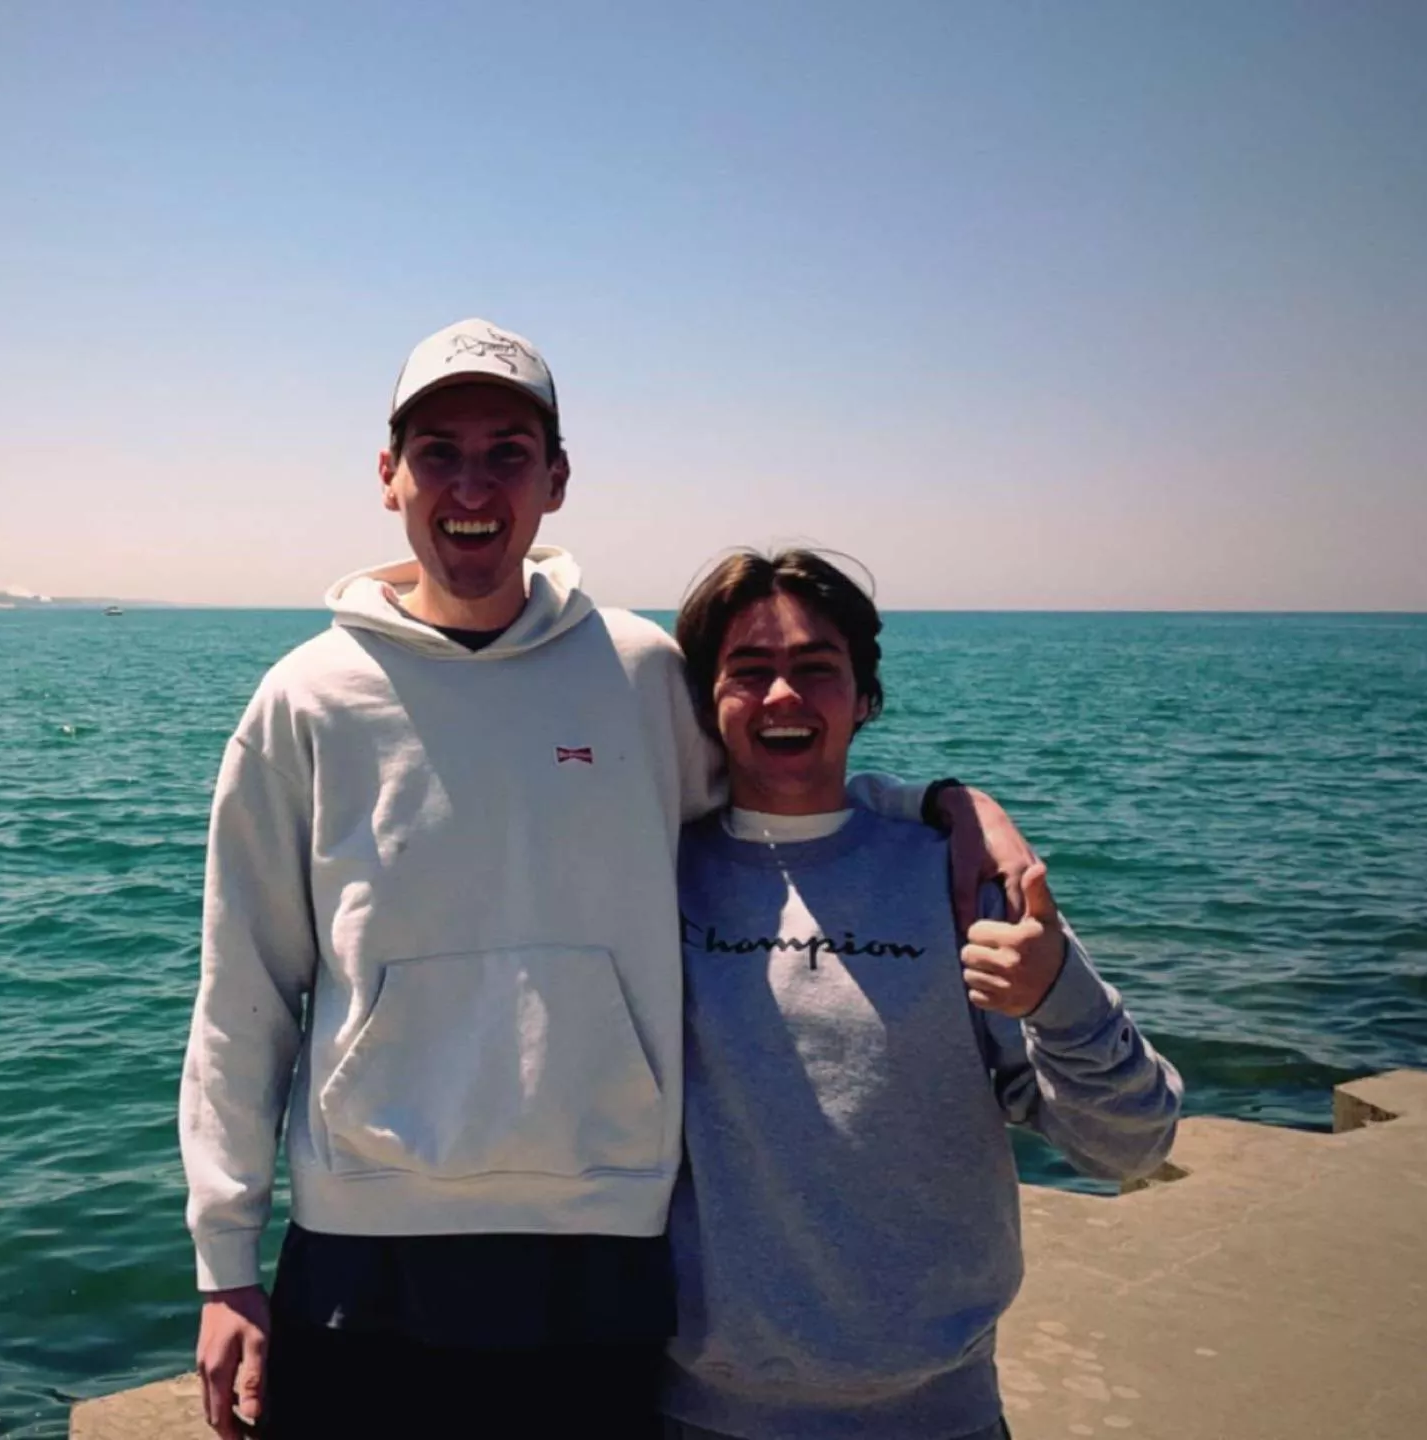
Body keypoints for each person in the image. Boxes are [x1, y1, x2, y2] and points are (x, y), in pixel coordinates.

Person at [179, 320, 1035, 1440]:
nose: (471, 484)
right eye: (438, 450)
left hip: (604, 1237)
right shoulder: (304, 700)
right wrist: (224, 1263)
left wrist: (944, 804)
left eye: (509, 452)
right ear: (388, 477)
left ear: (558, 480)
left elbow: (781, 792)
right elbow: (242, 997)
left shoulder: (641, 674)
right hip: (363, 1233)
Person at [660, 548, 1183, 1440]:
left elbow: (1129, 1144)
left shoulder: (958, 872)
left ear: (865, 696)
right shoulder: (652, 870)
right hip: (699, 1412)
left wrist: (1055, 993)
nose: (782, 696)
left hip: (940, 1415)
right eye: (747, 672)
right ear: (705, 704)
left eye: (815, 670)